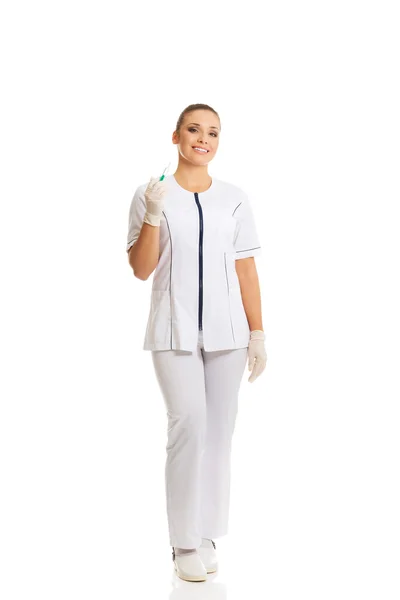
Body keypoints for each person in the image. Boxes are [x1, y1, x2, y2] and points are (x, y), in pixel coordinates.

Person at [126, 103, 267, 582]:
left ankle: (207, 532)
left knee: (219, 433)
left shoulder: (234, 198)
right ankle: (182, 540)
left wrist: (258, 332)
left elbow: (246, 269)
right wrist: (152, 212)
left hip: (228, 333)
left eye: (213, 132)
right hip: (173, 329)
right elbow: (141, 269)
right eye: (194, 129)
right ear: (176, 136)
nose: (203, 139)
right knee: (188, 426)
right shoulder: (153, 193)